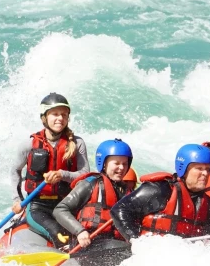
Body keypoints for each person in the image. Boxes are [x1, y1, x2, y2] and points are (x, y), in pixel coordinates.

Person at [110, 144, 210, 240]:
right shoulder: (160, 190)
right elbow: (120, 210)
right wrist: (136, 241)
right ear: (184, 170)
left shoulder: (205, 202)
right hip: (151, 256)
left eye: (207, 169)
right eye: (199, 168)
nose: (205, 173)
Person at [10, 92, 89, 247]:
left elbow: (85, 174)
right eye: (55, 114)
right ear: (44, 118)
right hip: (38, 206)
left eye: (64, 115)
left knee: (82, 232)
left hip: (67, 204)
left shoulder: (77, 143)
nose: (60, 118)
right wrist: (17, 200)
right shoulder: (29, 144)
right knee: (60, 235)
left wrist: (62, 175)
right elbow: (15, 171)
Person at [53, 138, 133, 251]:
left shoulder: (127, 192)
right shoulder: (90, 183)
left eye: (125, 163)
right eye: (117, 163)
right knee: (128, 250)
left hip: (113, 244)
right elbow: (60, 209)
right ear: (104, 164)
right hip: (87, 245)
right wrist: (79, 231)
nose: (121, 167)